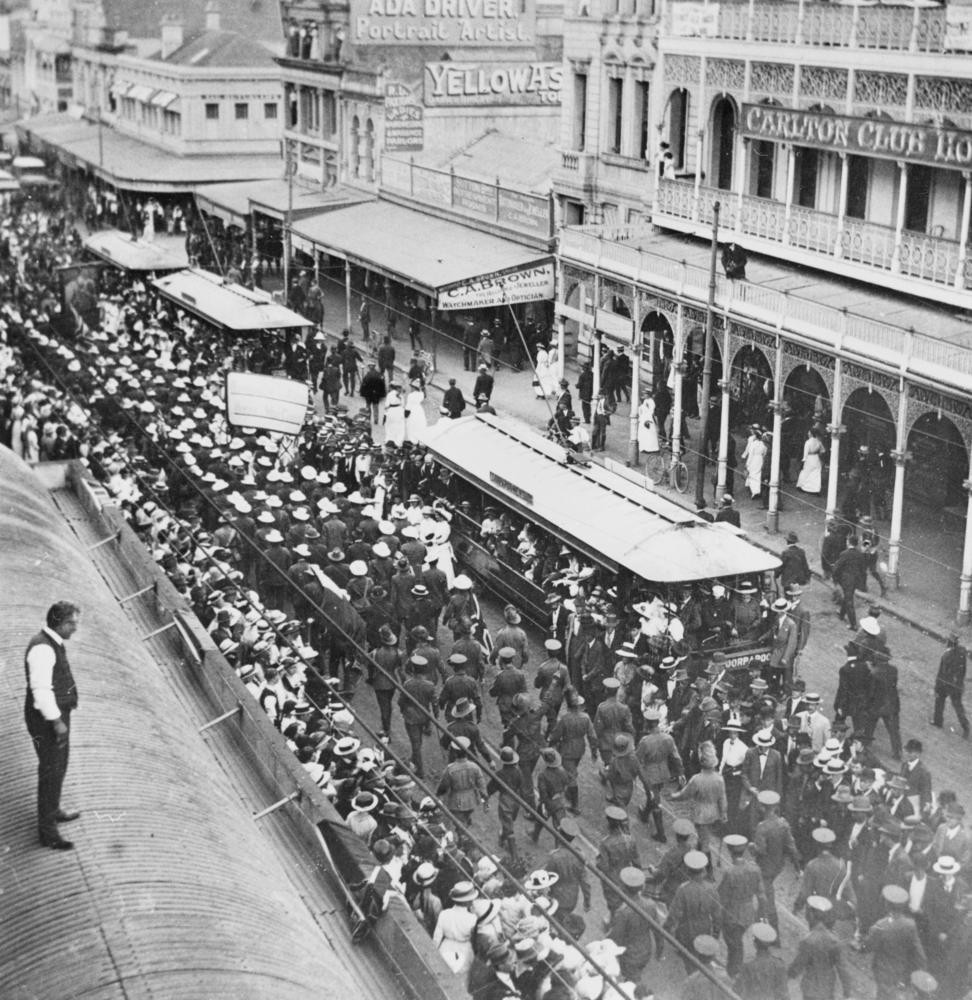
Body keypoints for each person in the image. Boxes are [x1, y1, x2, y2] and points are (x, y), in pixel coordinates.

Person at [25, 600, 82, 850]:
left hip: (55, 716)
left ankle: (54, 809)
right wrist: (57, 722)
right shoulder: (43, 649)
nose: (75, 628)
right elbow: (41, 690)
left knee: (58, 766)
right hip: (48, 719)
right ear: (58, 622)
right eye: (71, 623)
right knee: (51, 771)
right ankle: (48, 833)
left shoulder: (50, 643)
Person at [933, 633, 970, 739]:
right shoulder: (962, 653)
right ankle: (966, 726)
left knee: (939, 701)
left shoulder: (946, 655)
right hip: (957, 685)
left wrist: (937, 686)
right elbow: (963, 670)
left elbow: (941, 672)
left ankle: (938, 721)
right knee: (958, 707)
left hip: (945, 683)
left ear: (948, 643)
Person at [797, 427, 825, 494]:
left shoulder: (808, 442)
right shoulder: (818, 441)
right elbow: (823, 450)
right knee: (816, 474)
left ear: (811, 434)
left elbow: (805, 453)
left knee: (805, 472)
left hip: (809, 458)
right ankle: (815, 489)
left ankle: (803, 486)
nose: (808, 433)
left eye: (809, 432)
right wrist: (818, 453)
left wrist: (803, 460)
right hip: (816, 458)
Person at [638, 392, 660, 457]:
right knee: (644, 434)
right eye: (644, 394)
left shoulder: (651, 402)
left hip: (648, 419)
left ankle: (652, 448)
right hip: (643, 419)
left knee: (650, 434)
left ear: (648, 395)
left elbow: (651, 412)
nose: (644, 395)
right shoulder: (645, 401)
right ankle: (645, 447)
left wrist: (648, 420)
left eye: (646, 394)